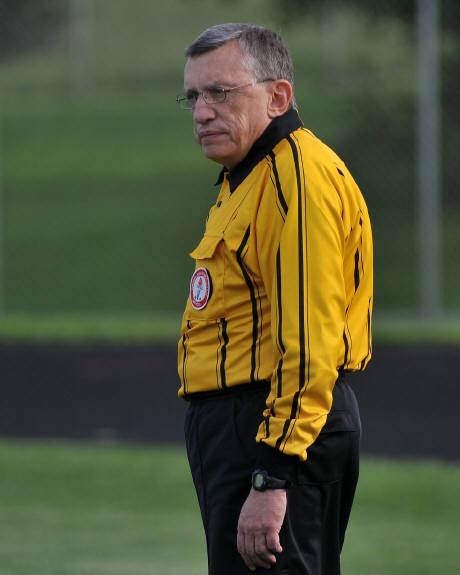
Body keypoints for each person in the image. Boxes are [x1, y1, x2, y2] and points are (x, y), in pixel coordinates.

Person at [176, 23, 373, 575]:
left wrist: (272, 476)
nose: (202, 112)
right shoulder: (249, 174)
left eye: (220, 92)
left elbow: (310, 342)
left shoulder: (298, 178)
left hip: (274, 432)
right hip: (247, 428)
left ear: (278, 96)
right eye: (193, 97)